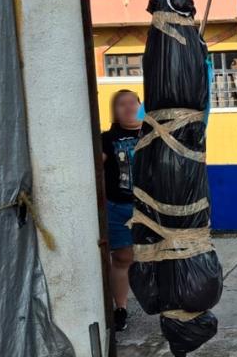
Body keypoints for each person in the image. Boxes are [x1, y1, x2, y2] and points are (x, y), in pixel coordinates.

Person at [101, 89, 143, 332]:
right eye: (121, 104)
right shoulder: (107, 138)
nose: (128, 108)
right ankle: (120, 308)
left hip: (151, 208)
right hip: (119, 207)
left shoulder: (153, 134)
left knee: (157, 257)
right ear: (114, 111)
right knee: (123, 258)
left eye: (132, 102)